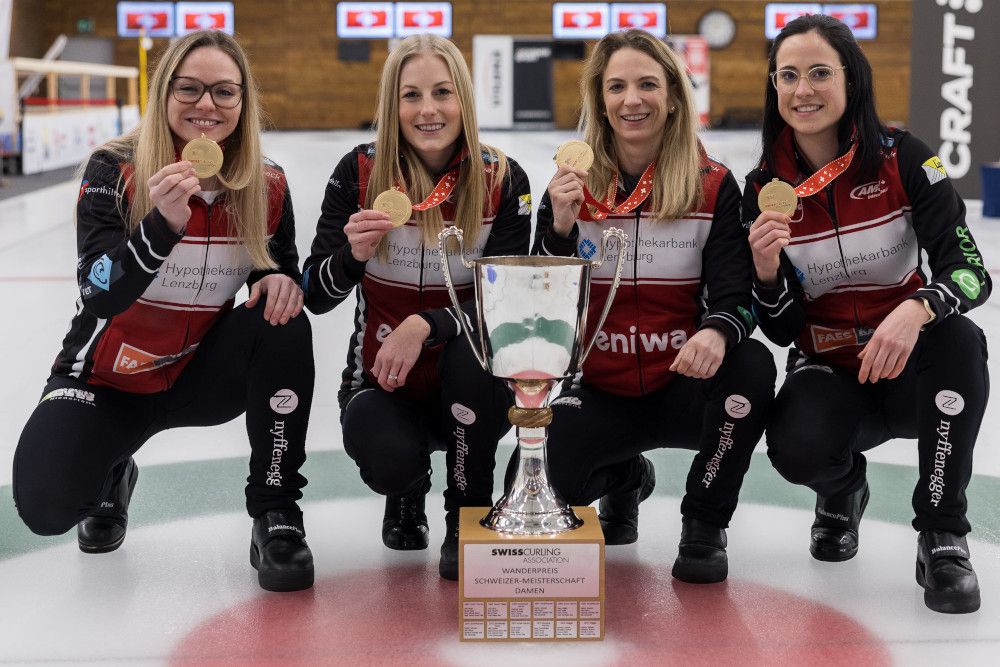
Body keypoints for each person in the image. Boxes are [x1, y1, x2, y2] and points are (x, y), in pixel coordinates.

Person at [12, 30, 316, 593]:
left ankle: (276, 513)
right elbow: (99, 290)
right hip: (108, 380)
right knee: (47, 505)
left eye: (225, 92)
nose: (207, 105)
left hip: (199, 375)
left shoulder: (266, 184)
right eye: (190, 89)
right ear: (164, 95)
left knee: (284, 315)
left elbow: (276, 270)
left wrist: (275, 279)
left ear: (243, 102)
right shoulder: (113, 169)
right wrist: (160, 227)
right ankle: (113, 468)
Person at [745, 14, 989, 614]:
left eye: (820, 73)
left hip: (909, 363)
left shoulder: (905, 159)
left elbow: (969, 269)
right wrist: (768, 272)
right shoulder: (760, 188)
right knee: (797, 448)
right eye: (789, 76)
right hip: (829, 368)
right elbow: (779, 328)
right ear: (775, 89)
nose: (803, 90)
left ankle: (942, 533)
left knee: (960, 341)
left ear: (852, 80)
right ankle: (843, 490)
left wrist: (920, 306)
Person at [534, 29, 775, 584]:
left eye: (647, 84)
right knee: (548, 488)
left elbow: (738, 301)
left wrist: (716, 331)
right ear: (599, 99)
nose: (631, 100)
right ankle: (625, 477)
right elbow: (540, 299)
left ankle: (703, 523)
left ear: (672, 95)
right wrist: (561, 228)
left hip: (682, 384)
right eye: (616, 86)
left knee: (751, 367)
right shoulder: (571, 188)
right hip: (600, 389)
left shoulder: (713, 185)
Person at [301, 34, 531, 580]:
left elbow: (513, 301)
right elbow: (314, 292)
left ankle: (465, 513)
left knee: (471, 358)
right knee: (389, 458)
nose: (428, 110)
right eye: (411, 96)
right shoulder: (357, 172)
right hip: (382, 380)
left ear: (464, 100)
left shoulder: (503, 178)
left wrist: (426, 324)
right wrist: (351, 257)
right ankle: (405, 491)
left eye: (442, 93)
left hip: (472, 378)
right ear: (392, 105)